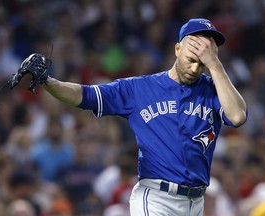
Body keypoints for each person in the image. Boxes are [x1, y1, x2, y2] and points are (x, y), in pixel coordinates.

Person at [17, 18, 247, 215]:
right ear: (177, 49)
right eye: (191, 59)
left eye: (202, 63)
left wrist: (215, 65)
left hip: (196, 202)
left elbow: (237, 116)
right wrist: (48, 82)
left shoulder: (214, 88)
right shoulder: (139, 89)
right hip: (156, 197)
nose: (196, 68)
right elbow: (84, 94)